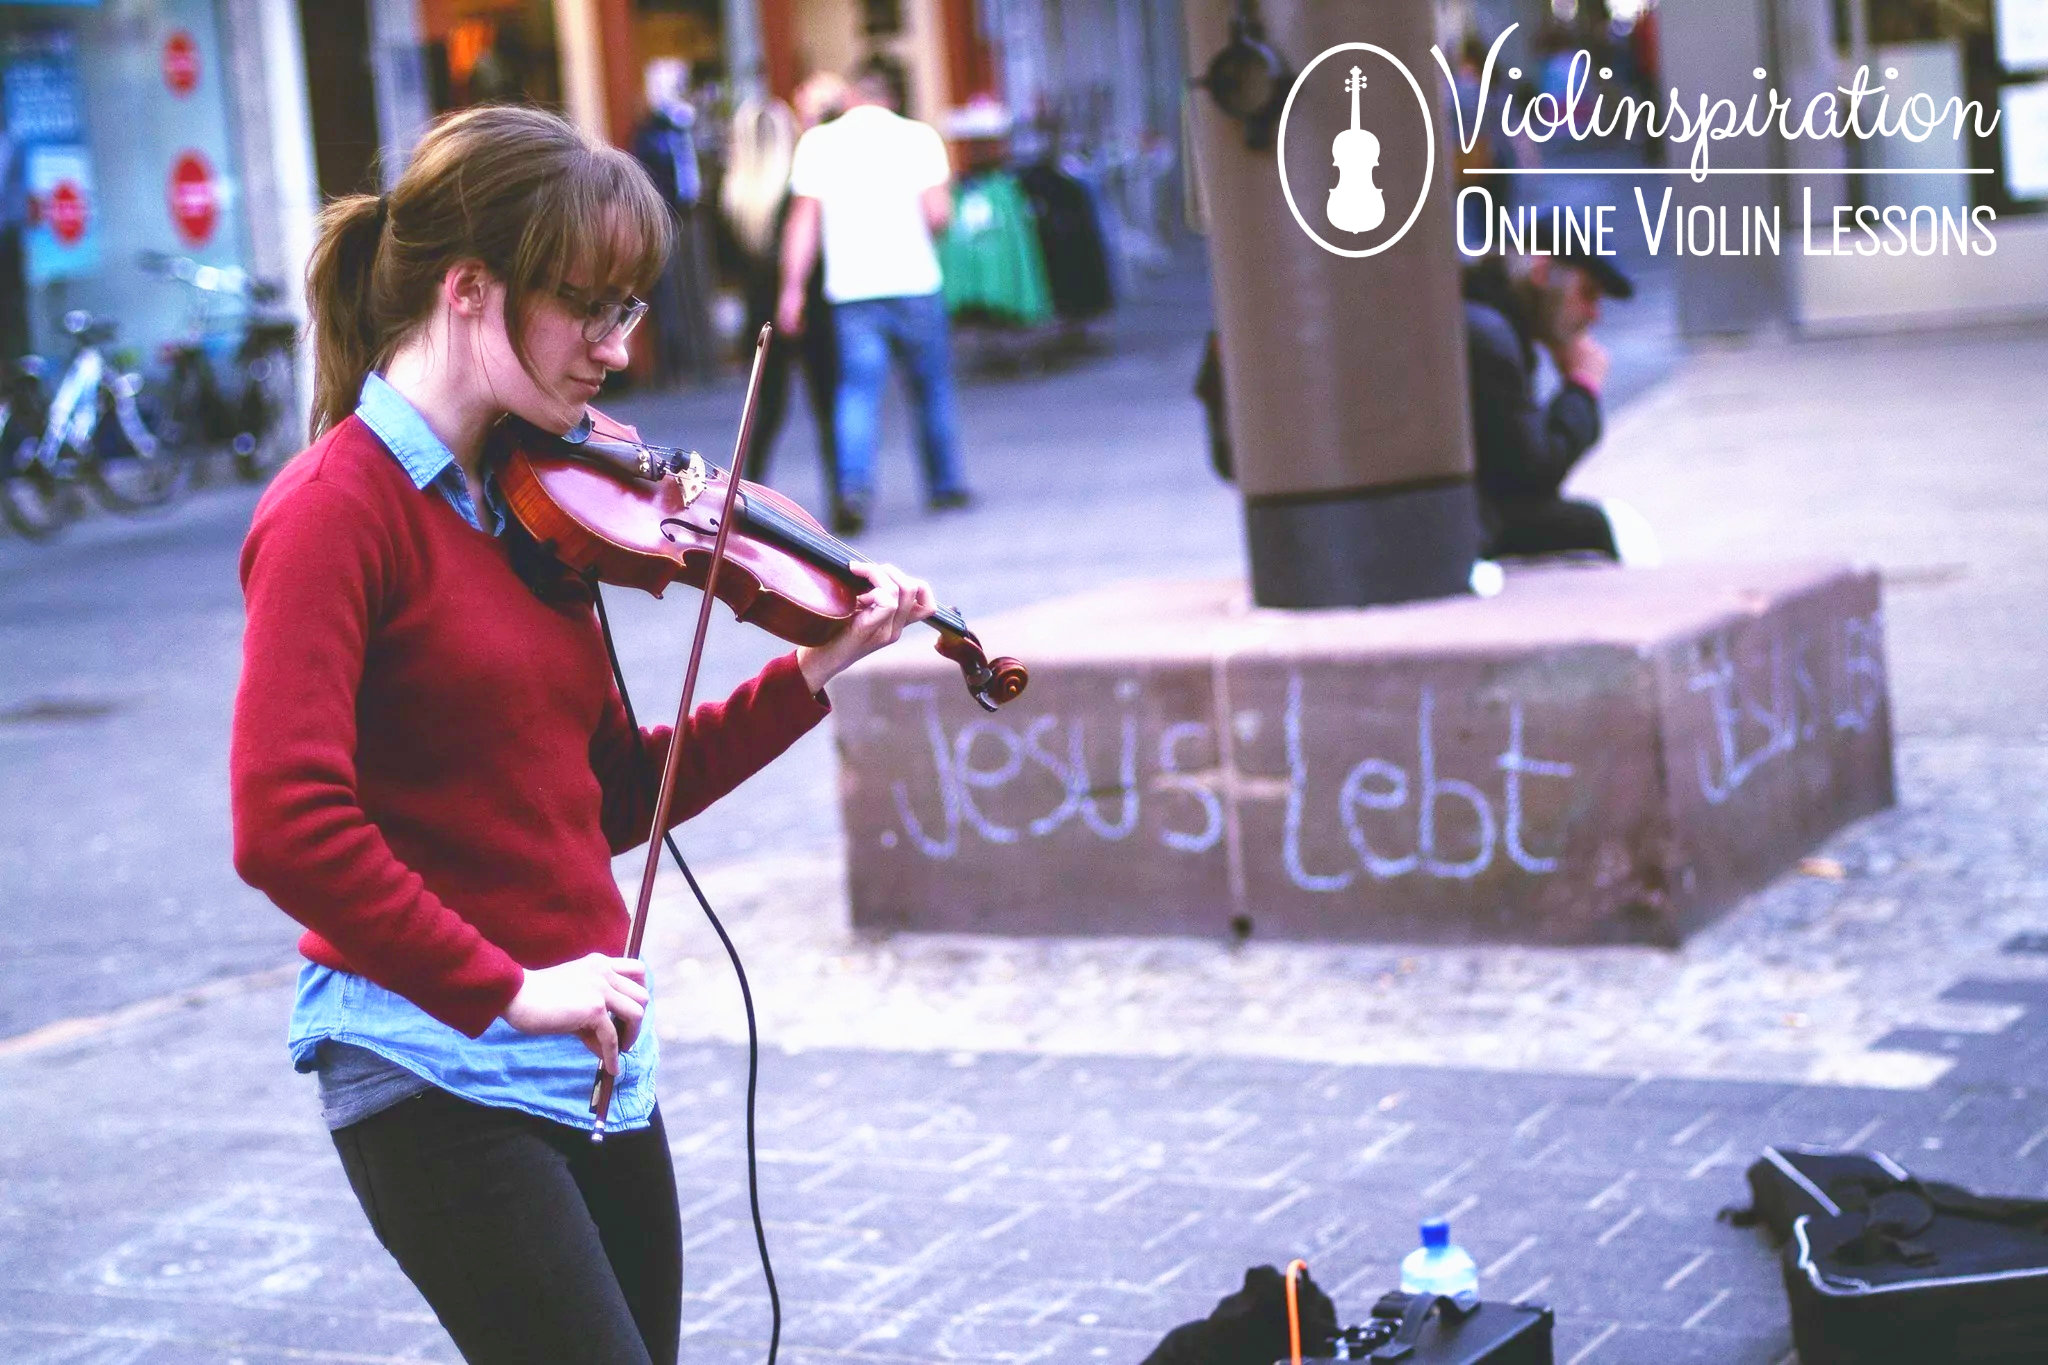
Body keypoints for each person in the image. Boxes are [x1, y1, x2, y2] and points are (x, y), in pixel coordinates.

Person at [230, 105, 936, 1364]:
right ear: (467, 289)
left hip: (589, 1058)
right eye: (591, 308)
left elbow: (609, 796)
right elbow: (284, 825)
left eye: (630, 308)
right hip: (431, 1060)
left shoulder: (537, 507)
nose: (620, 348)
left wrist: (812, 669)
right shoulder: (336, 511)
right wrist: (508, 987)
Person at [777, 61, 973, 535]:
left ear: (851, 98)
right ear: (891, 98)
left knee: (857, 392)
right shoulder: (919, 137)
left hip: (852, 290)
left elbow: (803, 224)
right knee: (931, 388)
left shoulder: (819, 143)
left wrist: (792, 290)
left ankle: (854, 489)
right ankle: (945, 484)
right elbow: (938, 214)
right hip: (915, 282)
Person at [1463, 229, 1650, 562]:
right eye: (1588, 293)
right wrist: (1582, 389)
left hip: (1466, 513)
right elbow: (1531, 477)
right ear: (1543, 271)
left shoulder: (1489, 319)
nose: (1595, 315)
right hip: (1463, 524)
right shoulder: (1491, 338)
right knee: (1606, 525)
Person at [721, 76, 844, 520]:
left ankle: (746, 496)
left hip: (759, 312)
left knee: (764, 410)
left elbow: (728, 262)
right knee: (827, 404)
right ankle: (842, 493)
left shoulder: (734, 193)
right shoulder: (798, 184)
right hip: (810, 304)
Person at [632, 57, 716, 385]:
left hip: (695, 210)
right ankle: (675, 364)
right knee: (671, 292)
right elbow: (646, 169)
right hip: (667, 214)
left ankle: (705, 357)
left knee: (699, 284)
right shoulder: (651, 129)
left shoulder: (689, 122)